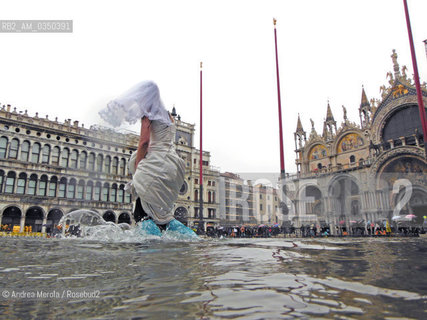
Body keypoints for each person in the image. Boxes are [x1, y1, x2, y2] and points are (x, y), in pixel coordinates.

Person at [99, 81, 197, 238]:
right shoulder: (169, 117)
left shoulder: (149, 115)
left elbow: (144, 142)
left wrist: (138, 166)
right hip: (172, 166)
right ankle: (190, 238)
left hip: (155, 163)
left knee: (142, 213)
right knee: (164, 216)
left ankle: (147, 252)